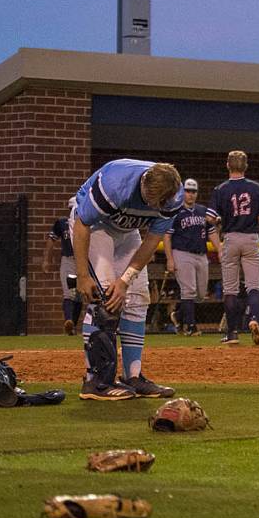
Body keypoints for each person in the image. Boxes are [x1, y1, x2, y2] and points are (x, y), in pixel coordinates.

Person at [70, 158, 182, 399]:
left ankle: (133, 375)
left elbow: (152, 240)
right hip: (95, 227)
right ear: (144, 184)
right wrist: (82, 275)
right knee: (105, 300)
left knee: (137, 299)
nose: (155, 205)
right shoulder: (115, 185)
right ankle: (95, 381)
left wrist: (126, 280)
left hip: (127, 231)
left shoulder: (173, 197)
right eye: (151, 199)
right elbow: (81, 224)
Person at [208, 150, 259, 346]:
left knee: (230, 289)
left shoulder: (221, 189)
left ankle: (232, 333)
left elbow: (210, 217)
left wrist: (221, 218)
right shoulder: (256, 187)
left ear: (228, 165)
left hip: (231, 238)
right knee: (253, 286)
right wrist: (250, 218)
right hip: (251, 238)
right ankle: (253, 318)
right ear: (245, 166)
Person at [164, 178, 211, 335]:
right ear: (182, 192)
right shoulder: (175, 211)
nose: (190, 194)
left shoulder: (203, 211)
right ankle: (190, 327)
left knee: (201, 294)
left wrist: (220, 249)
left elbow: (212, 232)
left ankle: (178, 315)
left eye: (193, 191)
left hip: (201, 254)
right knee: (188, 290)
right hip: (182, 253)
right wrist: (170, 259)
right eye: (188, 191)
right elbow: (167, 236)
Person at [44, 198, 82, 336]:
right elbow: (51, 239)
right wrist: (46, 260)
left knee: (79, 296)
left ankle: (73, 327)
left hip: (84, 261)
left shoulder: (87, 222)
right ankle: (69, 320)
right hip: (69, 260)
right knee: (69, 293)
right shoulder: (62, 223)